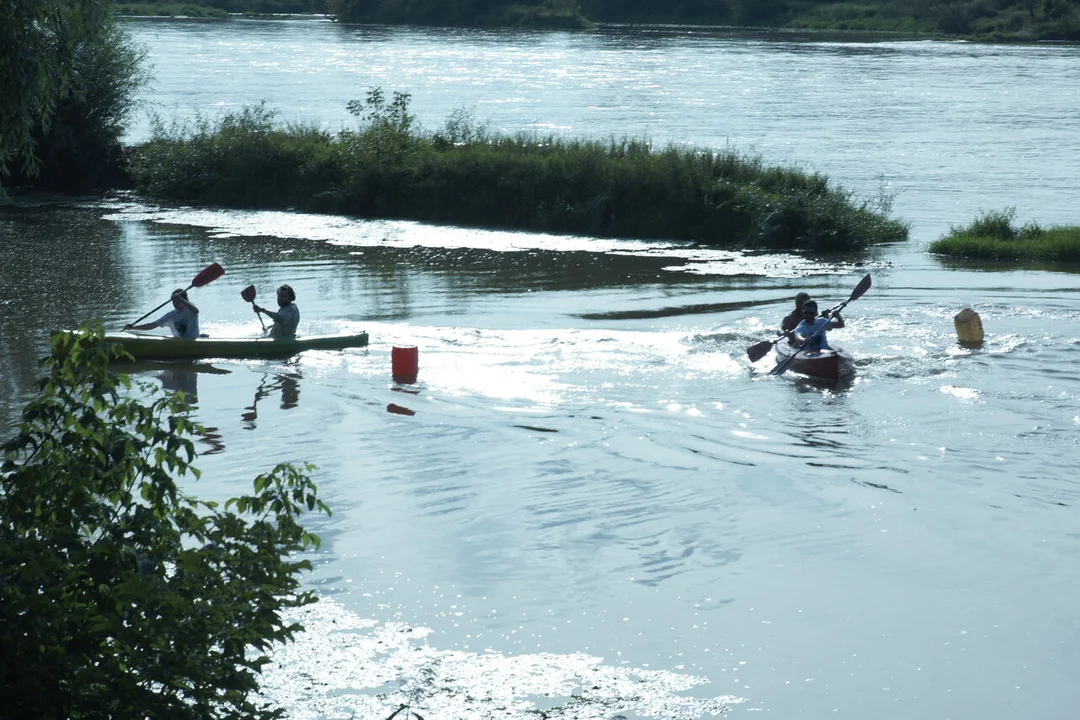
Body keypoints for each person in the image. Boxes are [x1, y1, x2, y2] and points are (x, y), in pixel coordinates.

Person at [124, 288, 200, 338]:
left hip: (194, 341)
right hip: (179, 342)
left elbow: (196, 311)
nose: (174, 303)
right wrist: (132, 328)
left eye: (176, 300)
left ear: (184, 300)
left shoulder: (190, 311)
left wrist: (180, 298)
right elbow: (152, 325)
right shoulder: (171, 315)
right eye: (173, 300)